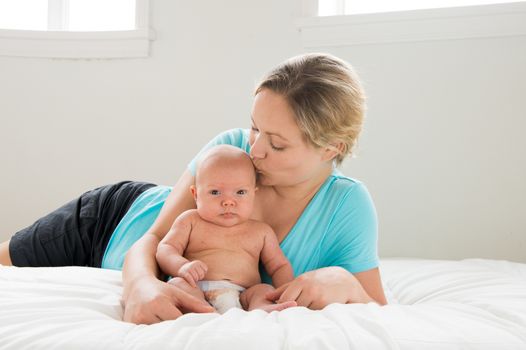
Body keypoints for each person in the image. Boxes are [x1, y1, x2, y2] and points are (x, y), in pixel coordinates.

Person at [0, 53, 387, 324]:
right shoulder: (230, 148)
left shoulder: (346, 205)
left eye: (278, 143)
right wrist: (139, 286)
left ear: (331, 148)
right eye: (255, 127)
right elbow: (153, 237)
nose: (254, 150)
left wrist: (346, 282)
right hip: (111, 220)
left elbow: (378, 306)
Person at [156, 144, 294, 314]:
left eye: (240, 192)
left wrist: (286, 292)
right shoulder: (190, 221)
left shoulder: (261, 232)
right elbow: (166, 248)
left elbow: (279, 266)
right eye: (215, 192)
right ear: (196, 195)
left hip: (242, 295)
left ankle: (261, 309)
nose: (228, 201)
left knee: (263, 290)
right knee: (178, 285)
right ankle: (202, 310)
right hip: (196, 288)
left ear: (254, 194)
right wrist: (181, 266)